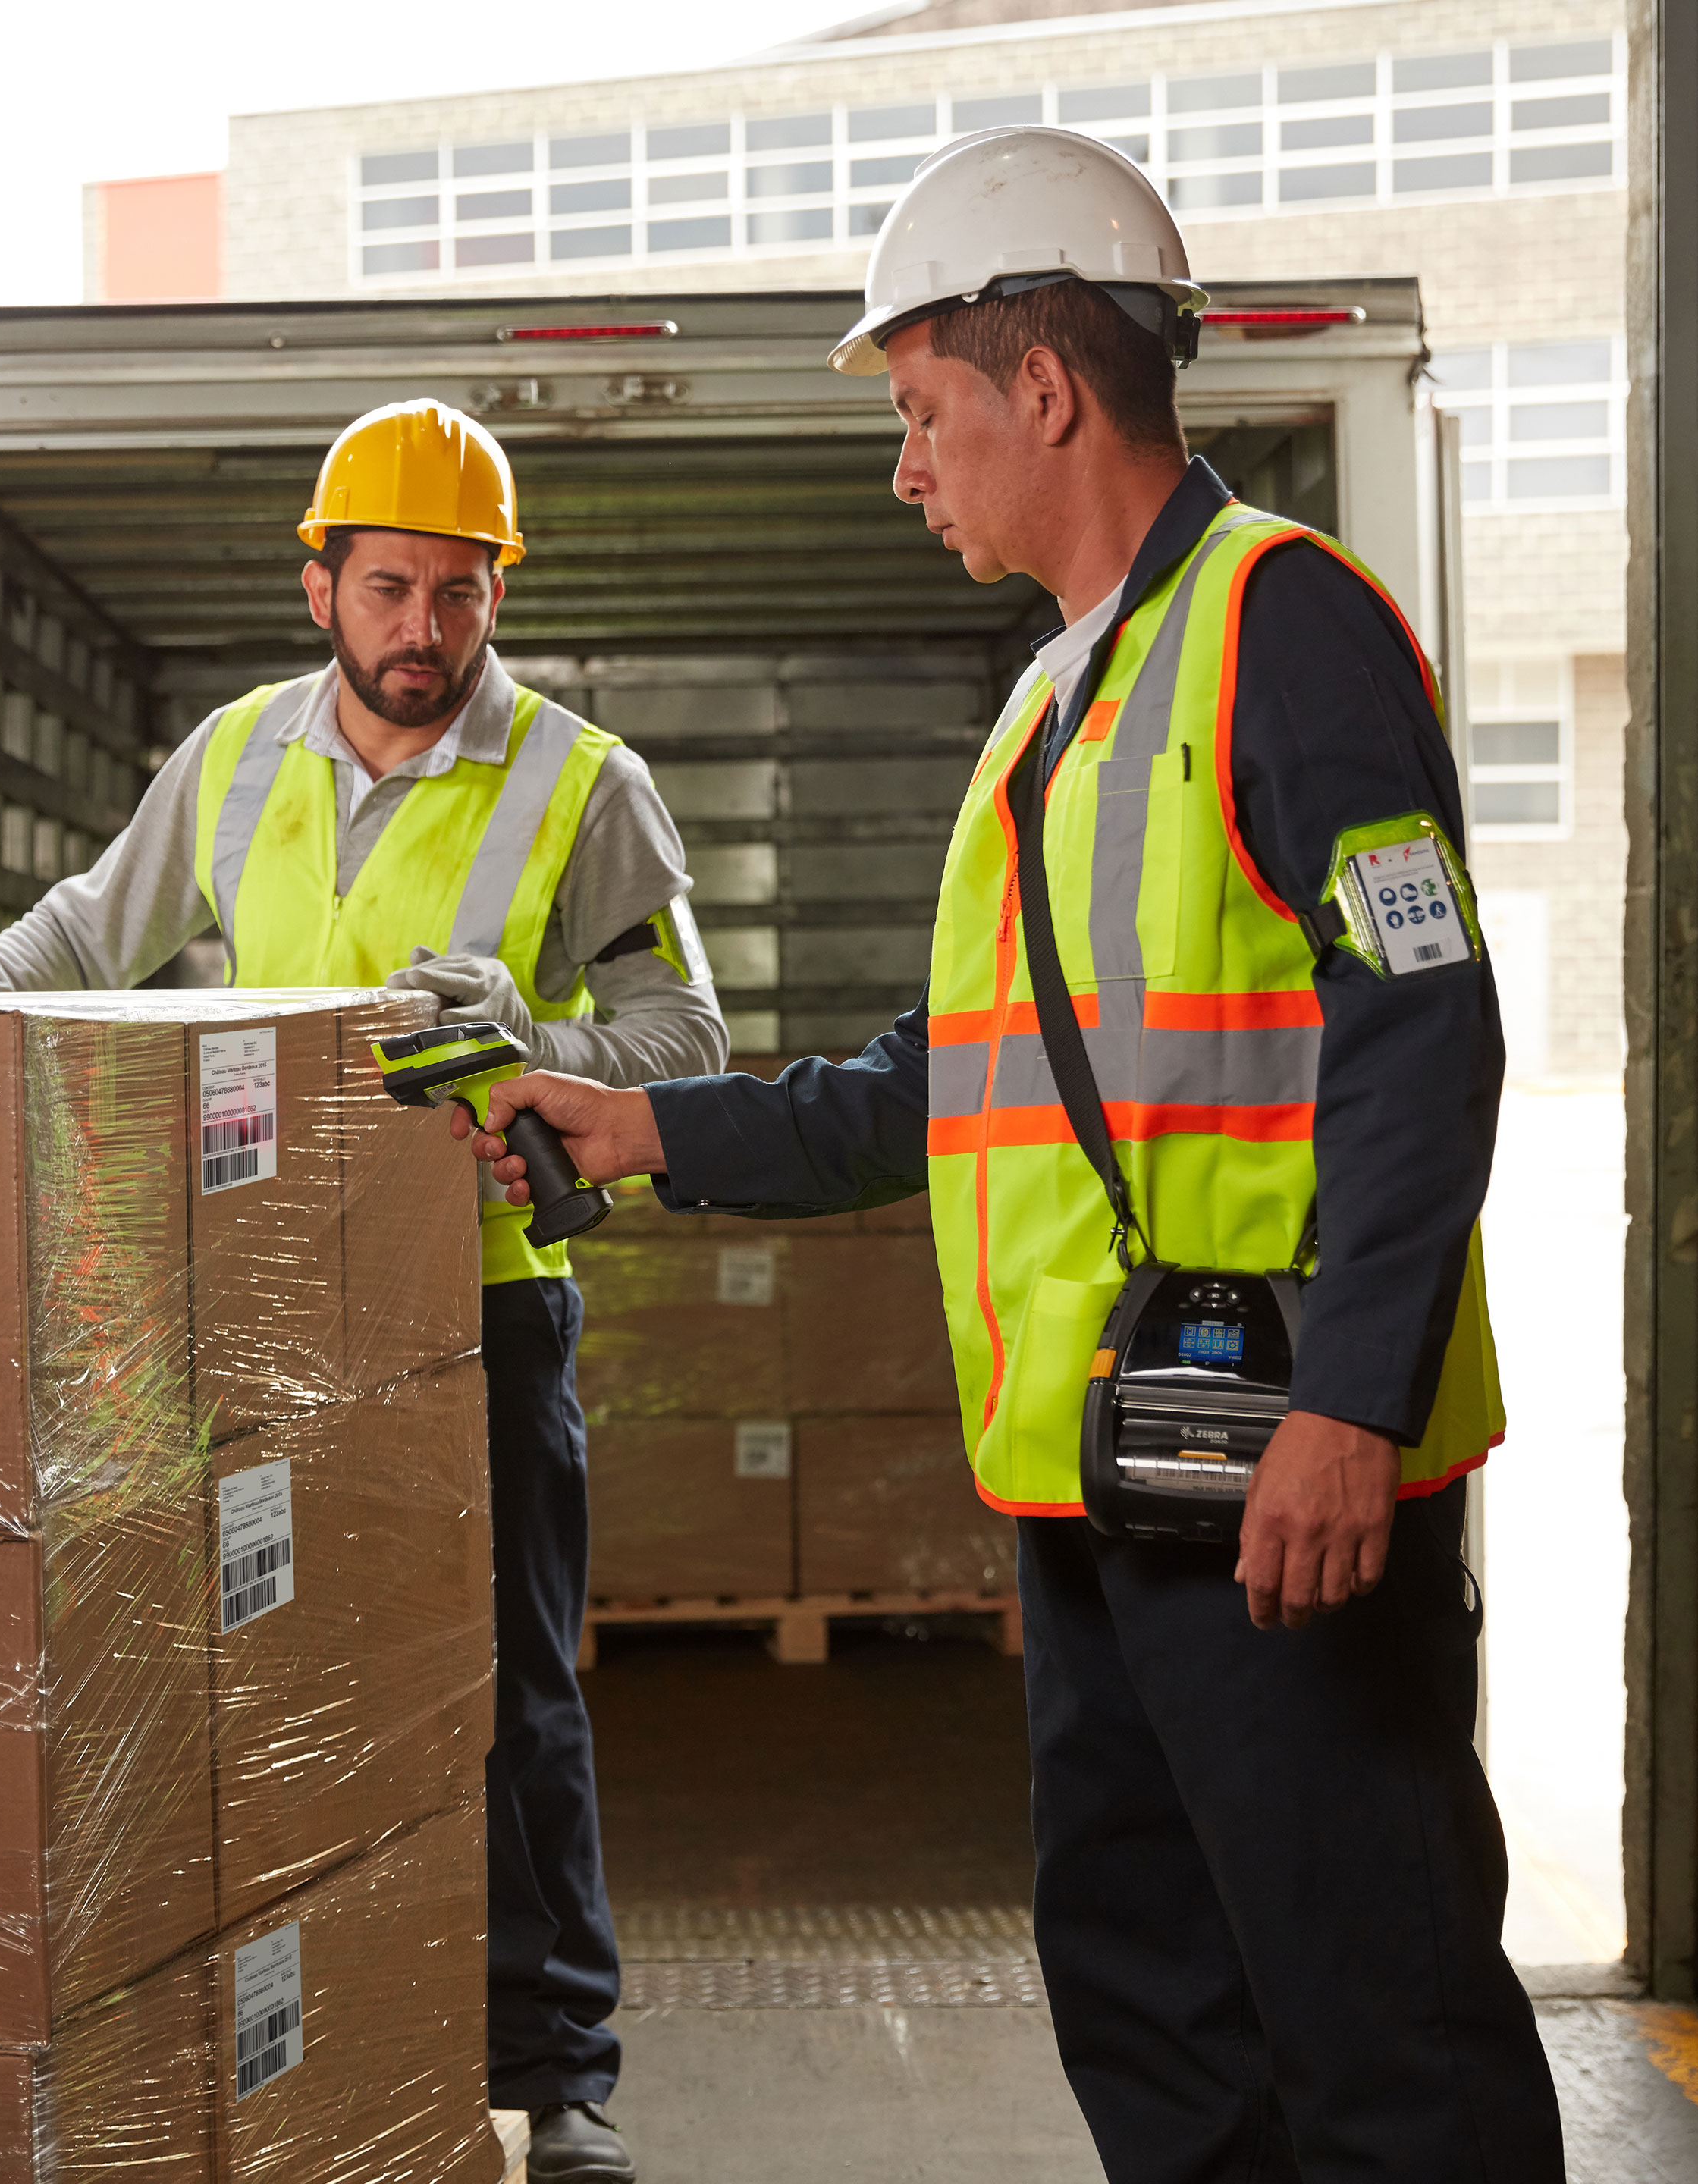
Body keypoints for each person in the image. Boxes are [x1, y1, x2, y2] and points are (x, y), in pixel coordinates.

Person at [451, 130, 1568, 2183]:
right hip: (1103, 1483)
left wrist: (1350, 1407)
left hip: (1277, 1479)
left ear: (1042, 388)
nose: (908, 468)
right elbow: (937, 1083)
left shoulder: (1282, 630)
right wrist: (640, 1128)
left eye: (921, 413)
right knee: (1156, 2004)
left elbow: (1431, 1028)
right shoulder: (1058, 702)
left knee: (1373, 2013)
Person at [0, 399, 719, 2184]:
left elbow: (685, 1039)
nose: (425, 635)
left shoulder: (578, 781)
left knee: (510, 1691)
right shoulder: (235, 756)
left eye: (461, 598)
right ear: (318, 583)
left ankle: (558, 2079)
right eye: (390, 590)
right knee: (253, 1671)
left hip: (481, 1306)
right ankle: (299, 2030)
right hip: (254, 1316)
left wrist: (528, 1031)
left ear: (494, 596)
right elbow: (89, 936)